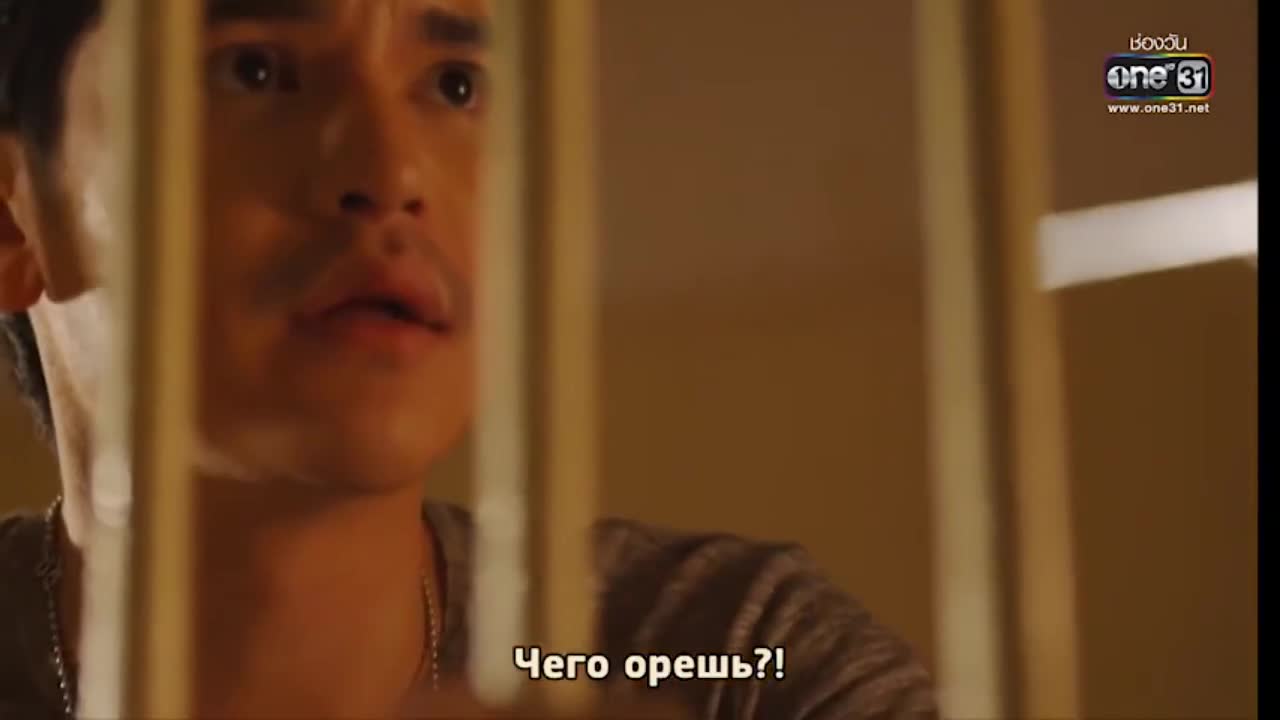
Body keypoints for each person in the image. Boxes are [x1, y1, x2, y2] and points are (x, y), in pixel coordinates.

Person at [0, 1, 939, 718]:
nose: (392, 170)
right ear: (14, 221)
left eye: (455, 86)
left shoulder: (726, 661)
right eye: (254, 70)